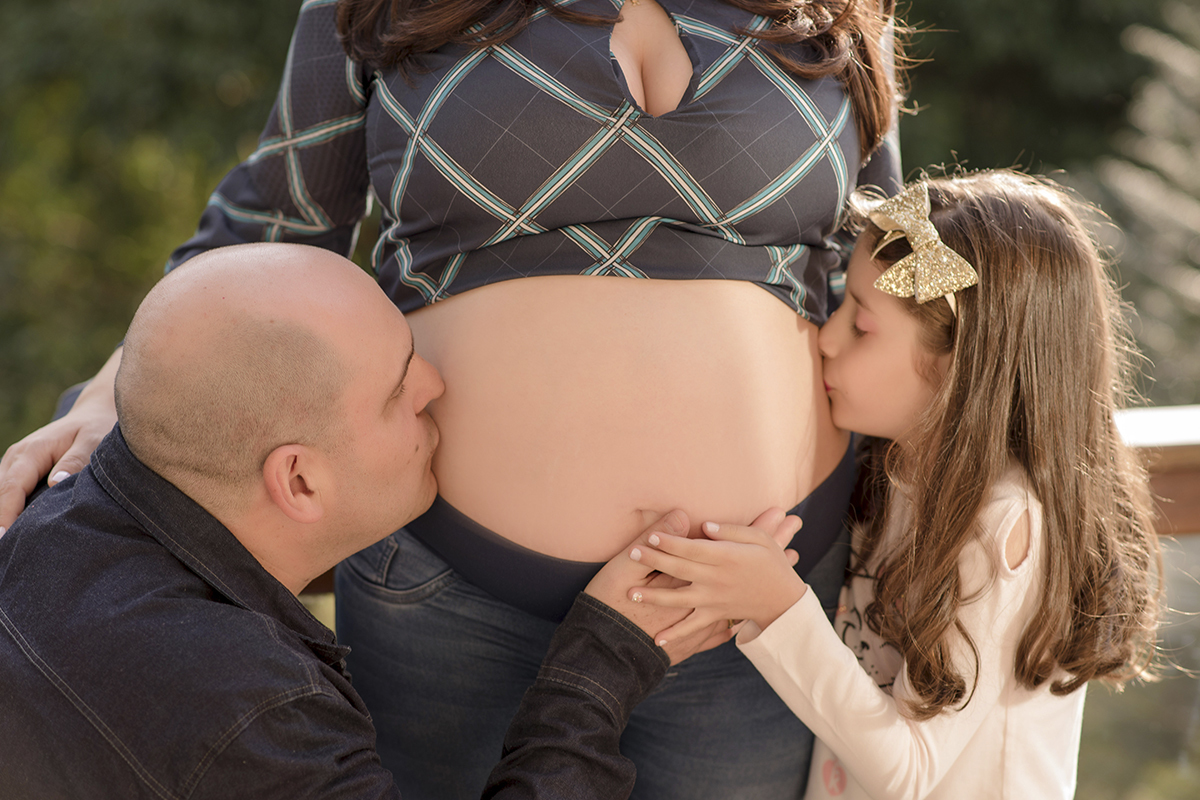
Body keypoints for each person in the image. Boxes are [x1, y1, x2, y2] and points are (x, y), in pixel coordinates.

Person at [0, 1, 905, 796]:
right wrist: (108, 397)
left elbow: (897, 273)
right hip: (451, 594)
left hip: (758, 596)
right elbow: (268, 231)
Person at [0, 242, 782, 799]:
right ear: (299, 480)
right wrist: (596, 671)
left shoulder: (47, 526)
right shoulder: (252, 722)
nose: (435, 384)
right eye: (397, 389)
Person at [625, 171, 1163, 799]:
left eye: (861, 324)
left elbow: (908, 772)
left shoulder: (1003, 527)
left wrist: (775, 606)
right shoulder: (901, 469)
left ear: (959, 362)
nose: (826, 338)